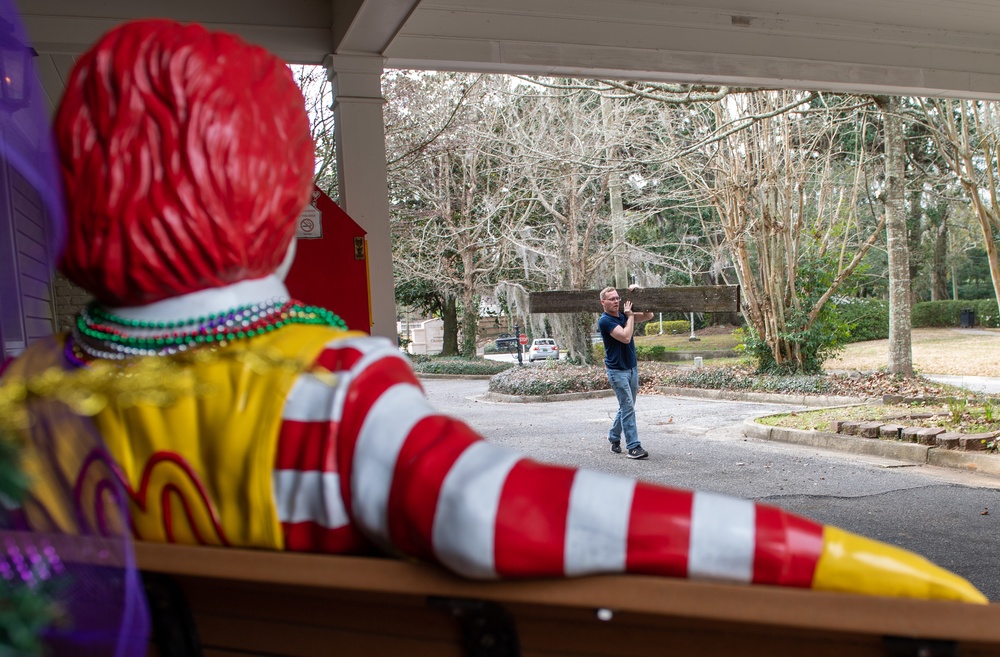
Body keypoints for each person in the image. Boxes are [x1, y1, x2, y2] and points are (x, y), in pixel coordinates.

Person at [1, 18, 988, 604]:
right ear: (275, 191)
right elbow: (482, 508)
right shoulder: (335, 397)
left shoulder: (17, 396)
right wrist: (885, 570)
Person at [598, 286, 654, 459]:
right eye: (612, 299)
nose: (616, 301)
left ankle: (614, 436)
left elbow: (649, 315)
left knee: (626, 407)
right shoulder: (605, 321)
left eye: (617, 298)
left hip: (632, 368)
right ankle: (633, 446)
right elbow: (625, 336)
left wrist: (639, 293)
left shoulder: (623, 315)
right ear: (603, 302)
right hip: (617, 372)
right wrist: (629, 316)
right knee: (628, 407)